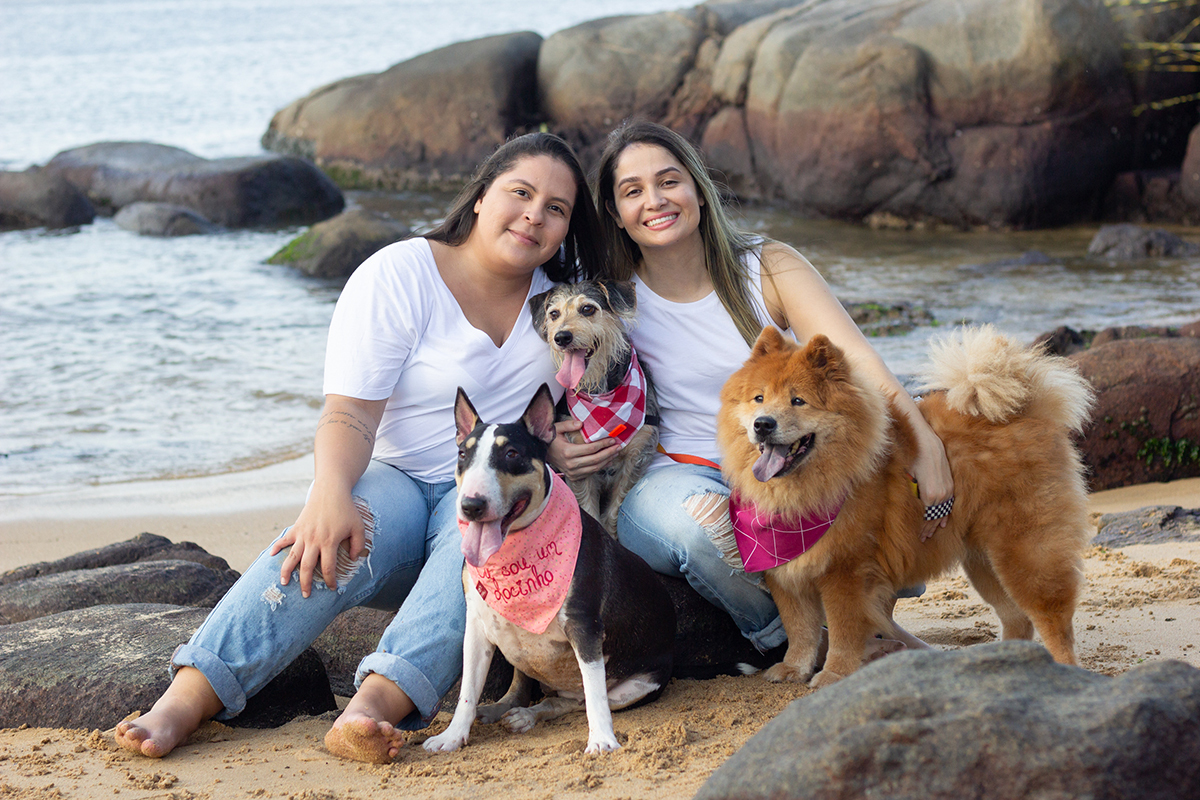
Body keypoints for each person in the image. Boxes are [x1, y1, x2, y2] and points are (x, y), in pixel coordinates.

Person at [115, 132, 604, 763]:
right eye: (521, 192)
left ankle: (369, 710)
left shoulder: (566, 305)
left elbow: (607, 392)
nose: (535, 215)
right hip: (398, 479)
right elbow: (349, 412)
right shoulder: (399, 274)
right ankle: (185, 698)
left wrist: (563, 450)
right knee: (320, 546)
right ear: (482, 195)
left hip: (494, 490)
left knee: (478, 561)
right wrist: (329, 492)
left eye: (556, 208)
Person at [555, 120, 955, 657]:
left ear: (698, 188)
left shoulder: (766, 266)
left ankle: (866, 623)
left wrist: (926, 444)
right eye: (633, 191)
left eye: (669, 181)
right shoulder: (608, 299)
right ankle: (801, 641)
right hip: (677, 473)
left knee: (883, 479)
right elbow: (549, 373)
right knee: (700, 529)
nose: (655, 201)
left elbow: (856, 360)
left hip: (790, 459)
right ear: (614, 212)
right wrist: (555, 447)